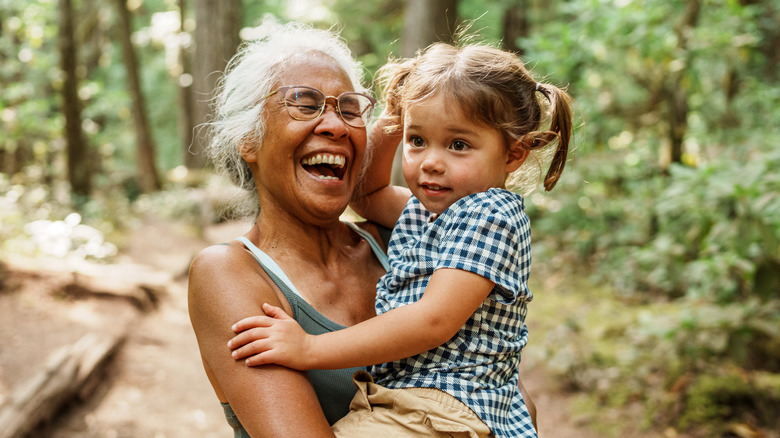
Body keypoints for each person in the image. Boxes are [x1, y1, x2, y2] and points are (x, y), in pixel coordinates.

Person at [187, 20, 537, 437]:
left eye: (350, 110)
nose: (336, 126)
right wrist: (403, 110)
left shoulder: (408, 240)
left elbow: (514, 401)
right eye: (304, 102)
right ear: (248, 138)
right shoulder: (227, 273)